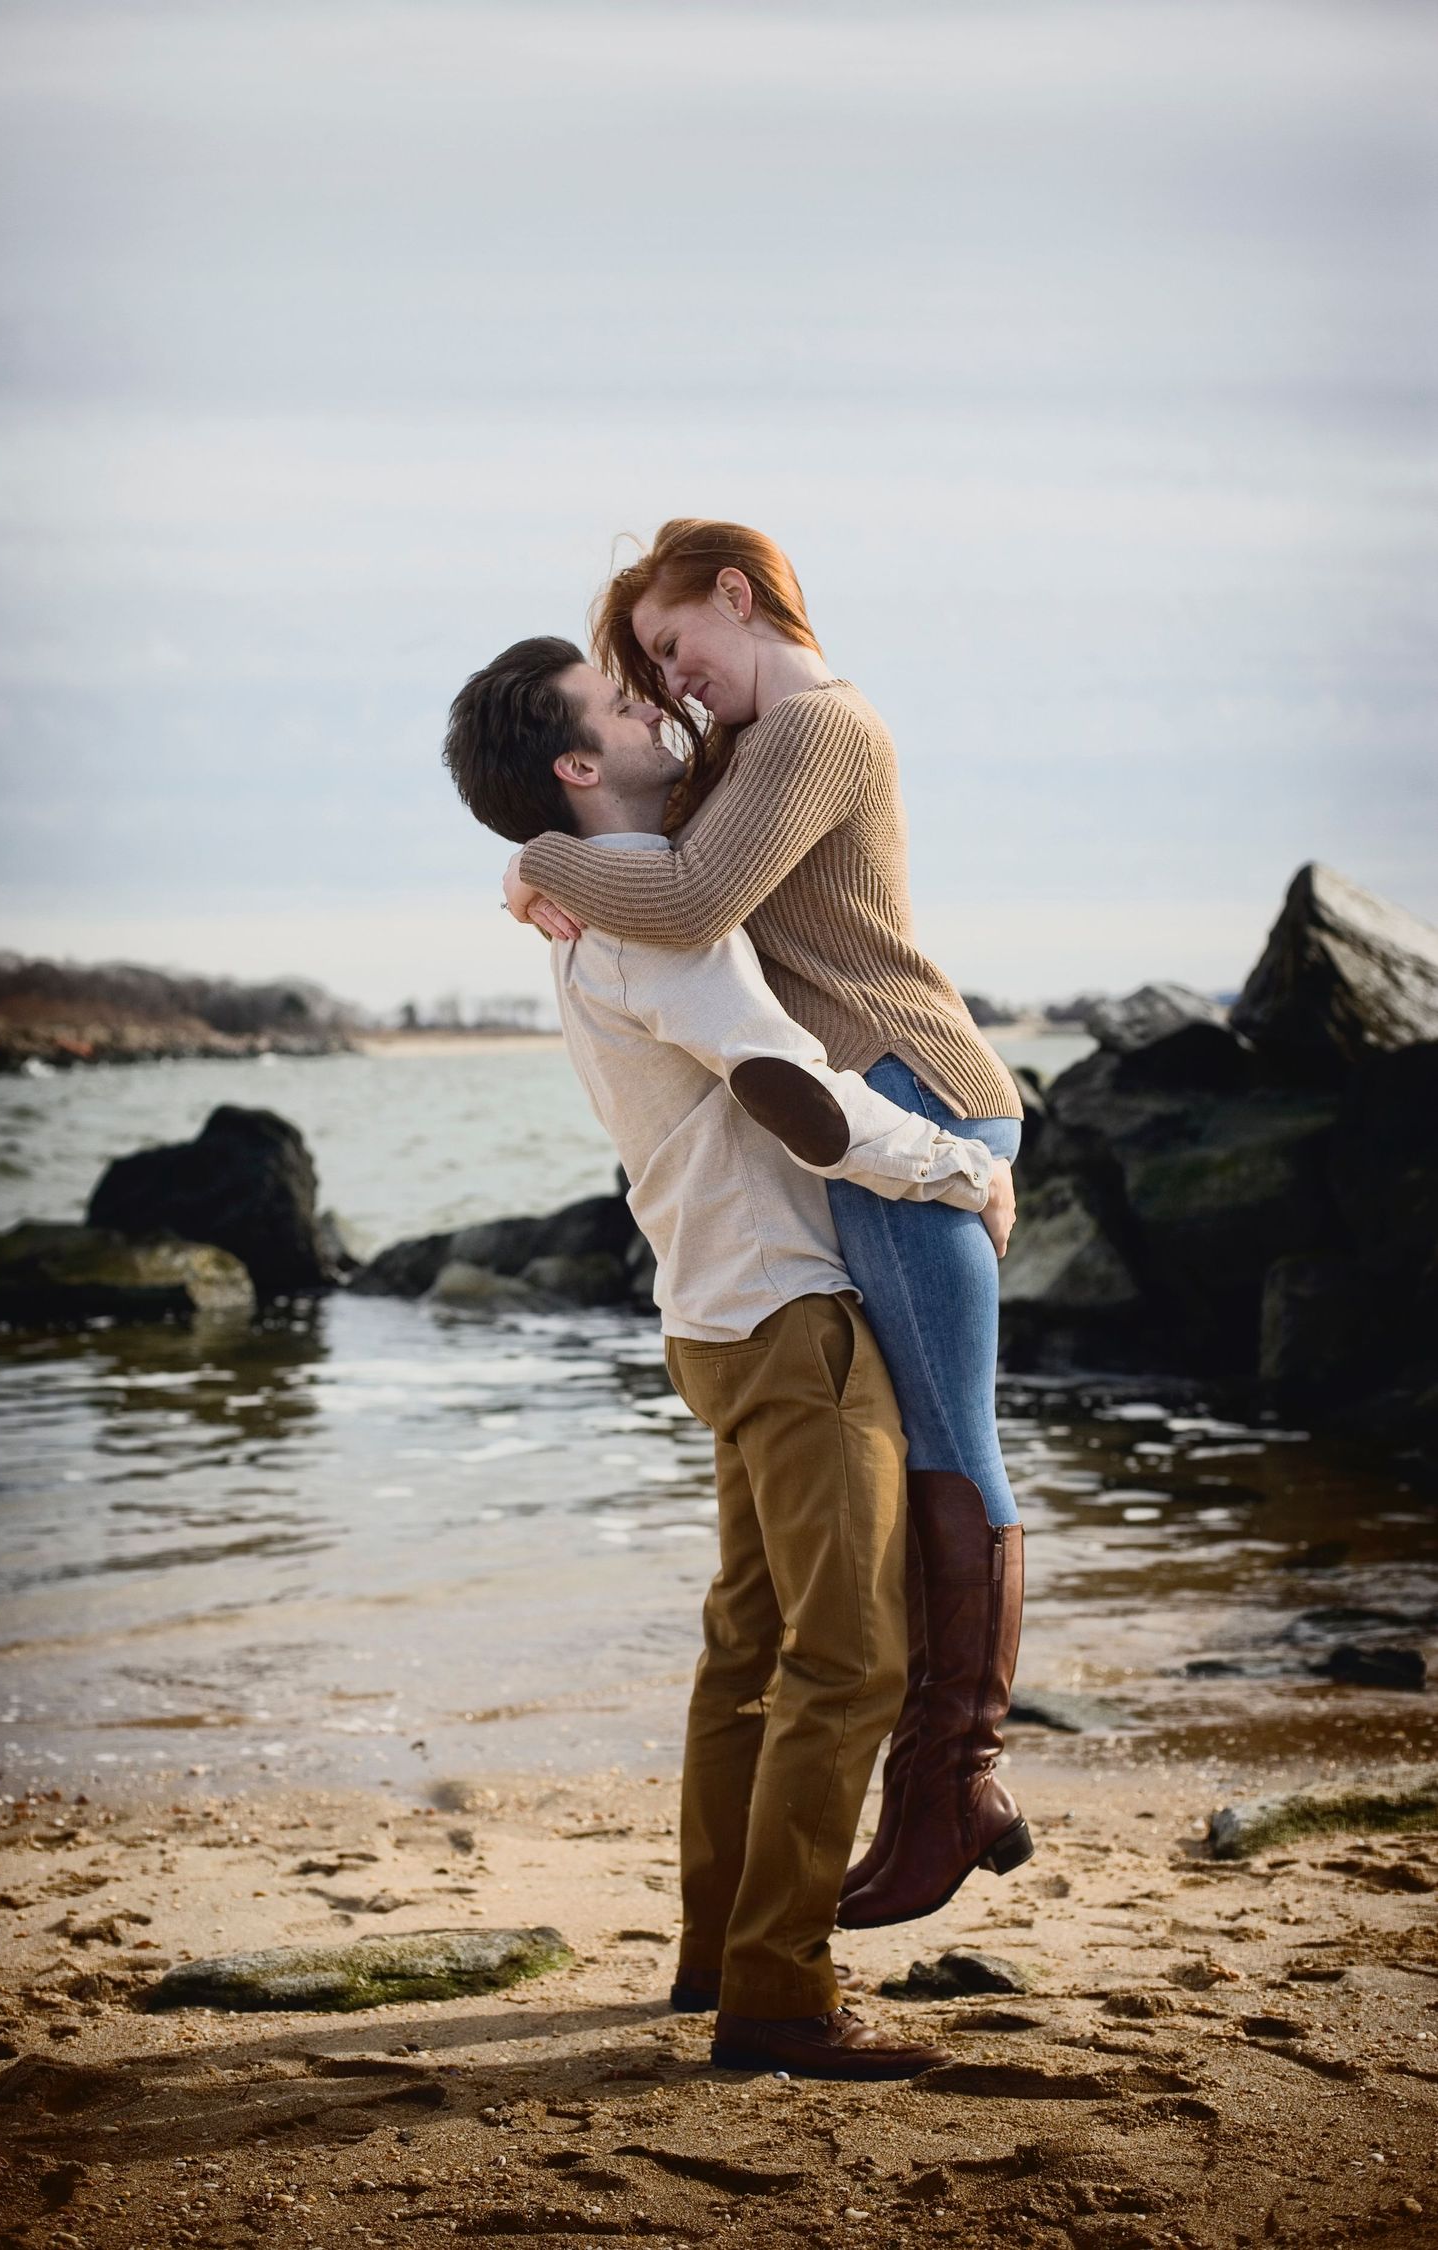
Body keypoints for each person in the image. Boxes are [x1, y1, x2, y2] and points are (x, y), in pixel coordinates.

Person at [444, 635, 1015, 2079]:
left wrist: (528, 866)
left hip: (712, 1314)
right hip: (791, 1317)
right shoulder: (655, 926)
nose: (652, 700)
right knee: (852, 1653)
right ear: (580, 767)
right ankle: (778, 1991)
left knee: (750, 1650)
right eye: (619, 702)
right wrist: (957, 1169)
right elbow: (791, 1097)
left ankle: (719, 1950)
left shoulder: (598, 921)